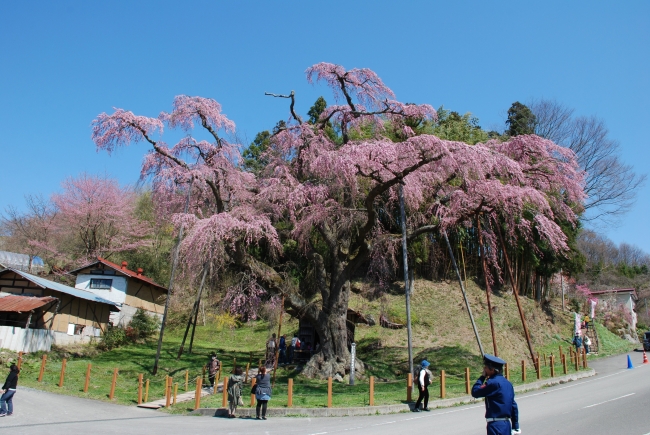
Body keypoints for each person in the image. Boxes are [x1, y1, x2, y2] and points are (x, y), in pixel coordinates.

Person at [471, 354, 520, 435]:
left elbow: (475, 392)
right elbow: (513, 405)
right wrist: (515, 425)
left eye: (486, 367)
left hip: (495, 425)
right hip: (506, 424)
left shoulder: (492, 383)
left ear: (492, 369)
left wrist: (482, 377)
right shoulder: (508, 383)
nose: (484, 370)